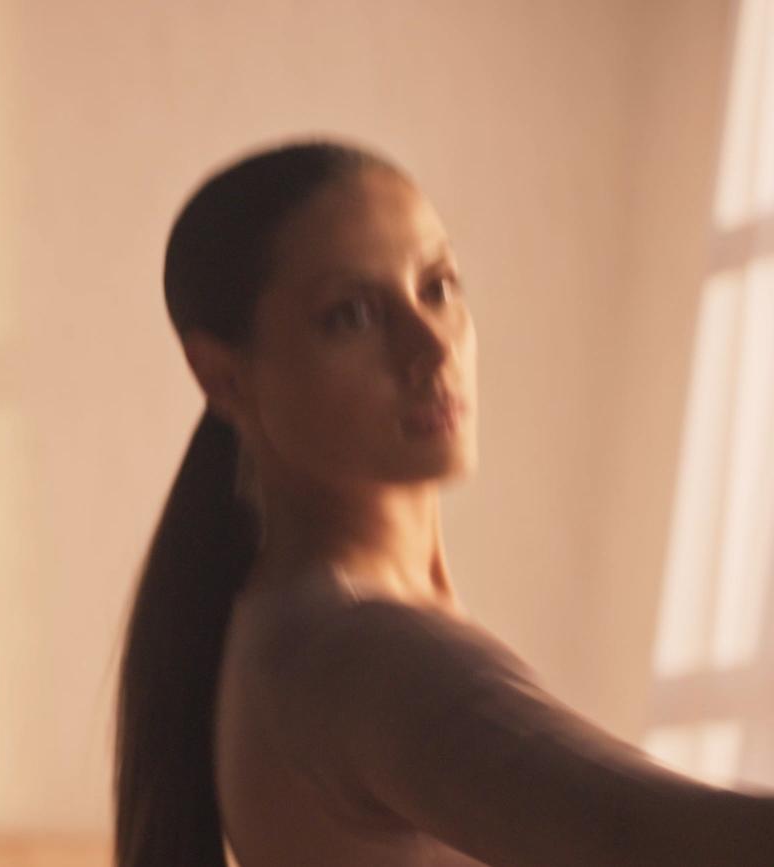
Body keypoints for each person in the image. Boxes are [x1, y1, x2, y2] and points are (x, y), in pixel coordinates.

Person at [114, 138, 774, 866]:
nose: (432, 347)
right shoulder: (357, 651)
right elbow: (640, 836)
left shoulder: (305, 627)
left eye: (438, 285)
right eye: (351, 315)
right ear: (223, 375)